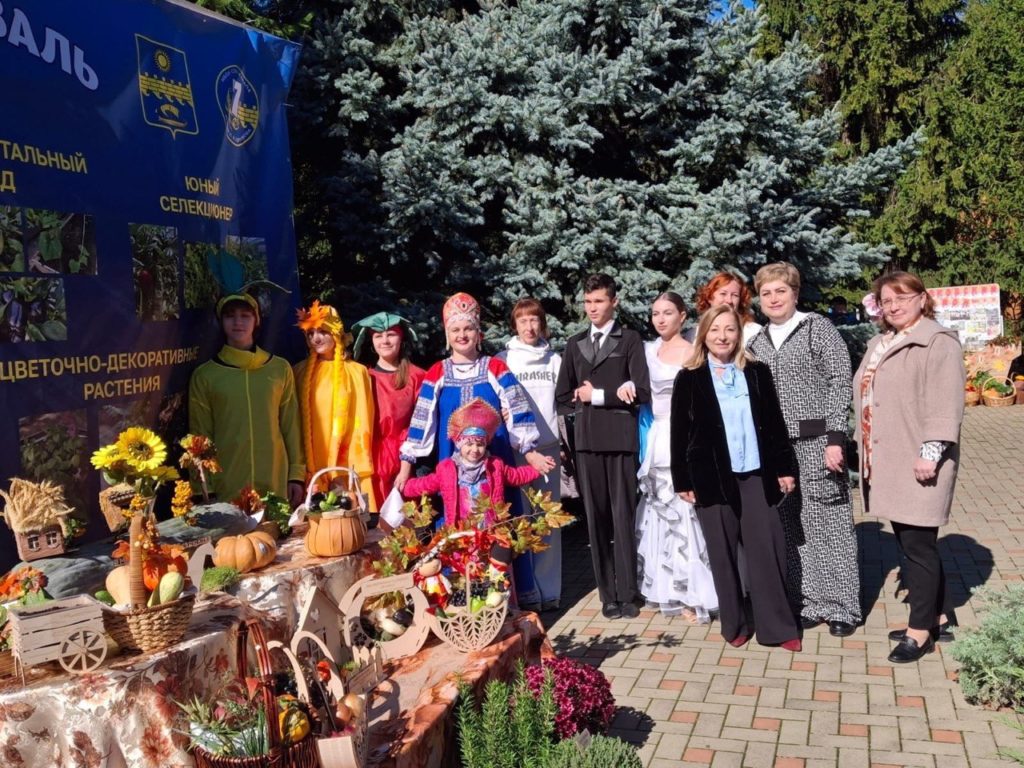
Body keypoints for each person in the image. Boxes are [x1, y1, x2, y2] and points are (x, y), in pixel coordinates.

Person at [397, 292, 555, 607]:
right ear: (447, 335)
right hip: (452, 470)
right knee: (453, 529)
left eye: (468, 328)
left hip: (494, 469)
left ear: (478, 332)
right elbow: (421, 421)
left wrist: (530, 451)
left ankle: (510, 600)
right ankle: (460, 599)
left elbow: (517, 410)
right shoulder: (437, 373)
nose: (462, 335)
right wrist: (406, 468)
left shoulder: (495, 367)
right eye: (455, 330)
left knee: (502, 529)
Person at [670, 305, 800, 650]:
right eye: (715, 330)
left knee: (767, 549)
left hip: (756, 474)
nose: (722, 336)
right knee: (723, 554)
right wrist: (682, 480)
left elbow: (774, 423)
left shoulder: (756, 372)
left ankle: (778, 628)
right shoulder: (690, 377)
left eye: (729, 329)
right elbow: (679, 433)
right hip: (710, 477)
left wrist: (785, 468)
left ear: (739, 334)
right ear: (704, 335)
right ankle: (735, 625)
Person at [853, 271, 965, 663]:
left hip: (919, 458)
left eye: (902, 297)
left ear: (921, 298)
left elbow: (946, 402)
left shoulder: (937, 341)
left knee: (917, 545)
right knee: (912, 542)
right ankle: (937, 615)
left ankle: (920, 633)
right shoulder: (881, 342)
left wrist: (930, 453)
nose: (894, 305)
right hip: (888, 454)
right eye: (886, 300)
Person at [747, 262, 862, 638]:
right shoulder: (757, 343)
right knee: (793, 524)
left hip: (818, 443)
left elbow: (840, 380)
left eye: (780, 291)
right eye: (766, 293)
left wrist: (835, 438)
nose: (773, 299)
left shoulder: (817, 328)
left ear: (794, 293)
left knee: (830, 522)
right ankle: (810, 601)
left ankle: (843, 606)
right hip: (778, 450)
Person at [554, 273, 650, 619]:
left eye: (599, 301)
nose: (592, 308)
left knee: (623, 516)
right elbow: (563, 397)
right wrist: (580, 414)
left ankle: (629, 592)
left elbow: (642, 391)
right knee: (596, 520)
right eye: (588, 302)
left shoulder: (630, 339)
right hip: (588, 443)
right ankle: (608, 595)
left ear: (614, 302)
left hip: (621, 441)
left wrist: (598, 395)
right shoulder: (575, 343)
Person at [635, 292, 717, 621]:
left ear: (682, 316)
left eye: (668, 312)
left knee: (685, 511)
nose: (660, 319)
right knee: (658, 511)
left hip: (681, 435)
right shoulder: (646, 350)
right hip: (655, 435)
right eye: (656, 313)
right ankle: (665, 587)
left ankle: (692, 593)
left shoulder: (693, 351)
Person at [189, 293, 304, 505]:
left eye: (245, 315)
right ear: (221, 322)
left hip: (274, 479)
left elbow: (291, 425)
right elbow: (200, 435)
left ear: (256, 320)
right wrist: (203, 488)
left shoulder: (279, 369)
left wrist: (296, 475)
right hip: (227, 482)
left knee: (274, 526)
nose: (238, 322)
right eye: (230, 316)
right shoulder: (205, 375)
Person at [496, 298, 564, 610]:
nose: (529, 326)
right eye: (523, 321)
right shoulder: (504, 360)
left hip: (548, 450)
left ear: (542, 323)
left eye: (534, 320)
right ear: (515, 325)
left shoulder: (554, 360)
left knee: (547, 521)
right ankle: (527, 591)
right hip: (517, 452)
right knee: (522, 521)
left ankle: (549, 591)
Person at [401, 398, 540, 527]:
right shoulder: (448, 469)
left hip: (490, 532)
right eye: (469, 444)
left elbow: (516, 476)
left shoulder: (495, 466)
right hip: (461, 534)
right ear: (460, 444)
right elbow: (426, 484)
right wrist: (404, 487)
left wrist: (538, 469)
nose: (475, 449)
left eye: (480, 445)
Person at [293, 301, 376, 507]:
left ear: (336, 332)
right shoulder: (298, 372)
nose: (316, 338)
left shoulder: (356, 372)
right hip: (311, 469)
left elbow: (363, 422)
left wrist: (348, 468)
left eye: (322, 331)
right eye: (310, 334)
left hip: (346, 466)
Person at [351, 312, 426, 508]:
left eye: (391, 334)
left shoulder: (417, 377)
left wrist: (406, 468)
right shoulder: (363, 376)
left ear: (401, 338)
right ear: (371, 341)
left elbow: (421, 426)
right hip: (369, 459)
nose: (385, 340)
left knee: (403, 518)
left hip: (404, 461)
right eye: (378, 336)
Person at [684, 271, 762, 345]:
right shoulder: (693, 335)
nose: (729, 300)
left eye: (735, 295)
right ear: (709, 297)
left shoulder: (753, 332)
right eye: (723, 294)